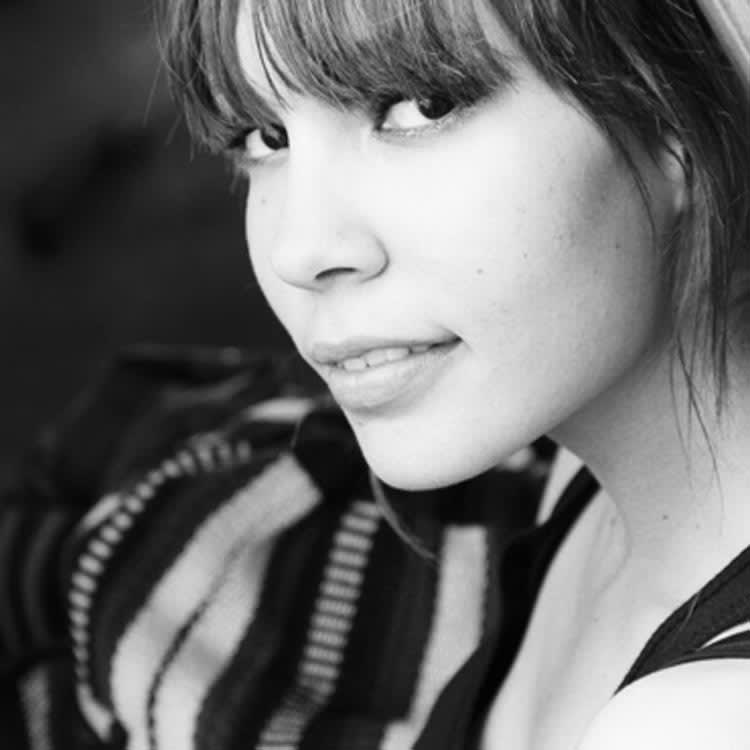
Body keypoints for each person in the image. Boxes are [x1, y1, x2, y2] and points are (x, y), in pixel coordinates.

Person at [3, 1, 750, 748]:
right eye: (264, 138)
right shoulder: (599, 444)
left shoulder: (695, 723)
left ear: (673, 121)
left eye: (420, 106)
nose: (300, 250)